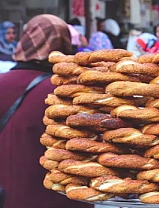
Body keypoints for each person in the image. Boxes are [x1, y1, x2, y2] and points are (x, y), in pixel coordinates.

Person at [0, 14, 91, 208]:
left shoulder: (1, 83)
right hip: (64, 199)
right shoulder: (71, 91)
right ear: (64, 45)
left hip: (9, 198)